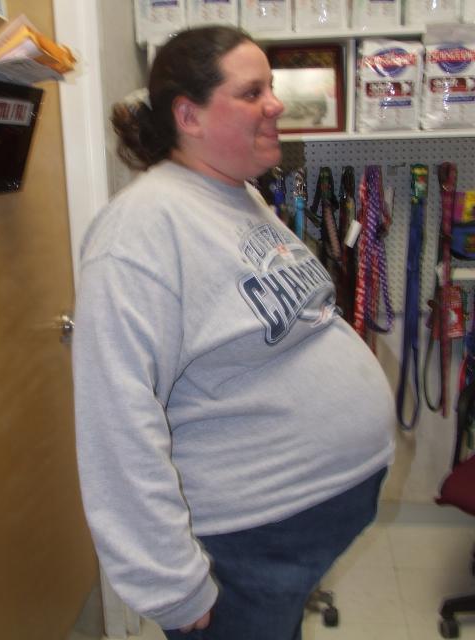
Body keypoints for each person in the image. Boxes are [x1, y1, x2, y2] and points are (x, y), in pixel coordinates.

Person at [72, 25, 395, 640]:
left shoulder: (234, 193)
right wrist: (170, 582)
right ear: (188, 115)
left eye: (271, 87)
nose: (276, 104)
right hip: (245, 545)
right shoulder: (139, 231)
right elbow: (115, 418)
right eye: (252, 93)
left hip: (288, 531)